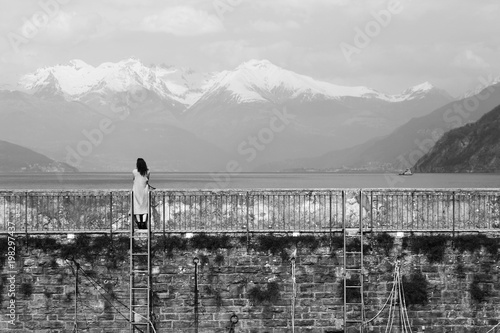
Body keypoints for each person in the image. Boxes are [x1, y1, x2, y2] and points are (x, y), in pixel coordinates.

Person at [132, 158, 150, 229]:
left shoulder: (134, 171)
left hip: (136, 190)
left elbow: (133, 179)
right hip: (144, 190)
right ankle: (144, 222)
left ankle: (139, 223)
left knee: (137, 206)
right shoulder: (147, 171)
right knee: (145, 207)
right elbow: (147, 180)